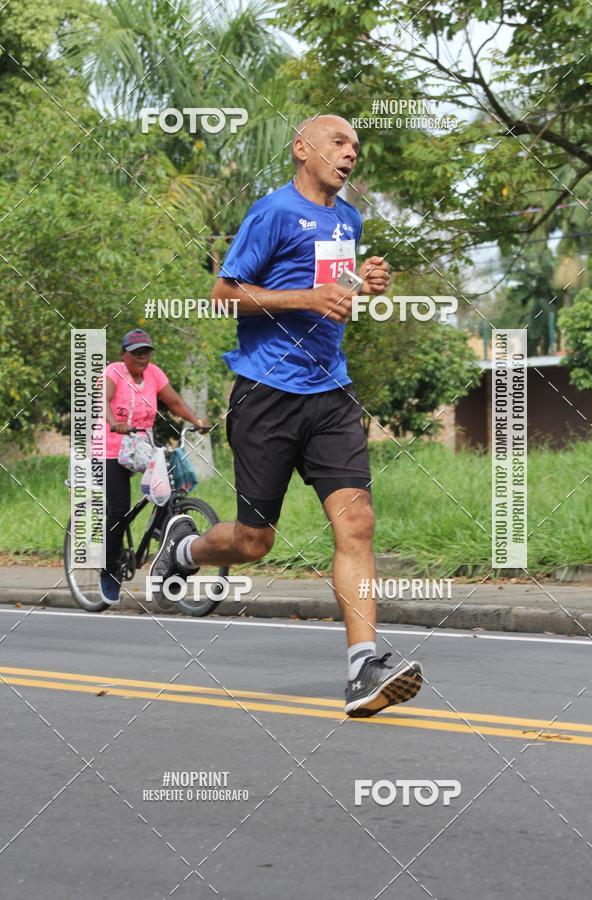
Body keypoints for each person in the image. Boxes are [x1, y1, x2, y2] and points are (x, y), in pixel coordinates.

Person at [150, 115, 423, 717]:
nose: (350, 154)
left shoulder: (347, 219)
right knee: (254, 542)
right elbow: (224, 294)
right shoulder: (271, 212)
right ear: (303, 149)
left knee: (357, 524)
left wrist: (364, 279)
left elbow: (333, 294)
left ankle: (363, 667)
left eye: (356, 146)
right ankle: (187, 548)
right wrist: (306, 298)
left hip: (330, 393)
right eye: (339, 142)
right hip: (265, 394)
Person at [100, 328, 206, 605]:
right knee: (118, 510)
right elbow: (104, 399)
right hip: (111, 447)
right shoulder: (114, 372)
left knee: (167, 494)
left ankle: (161, 541)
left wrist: (196, 421)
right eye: (135, 353)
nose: (142, 357)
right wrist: (113, 421)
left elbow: (174, 401)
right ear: (124, 355)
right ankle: (109, 569)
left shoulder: (154, 374)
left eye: (145, 352)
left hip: (142, 447)